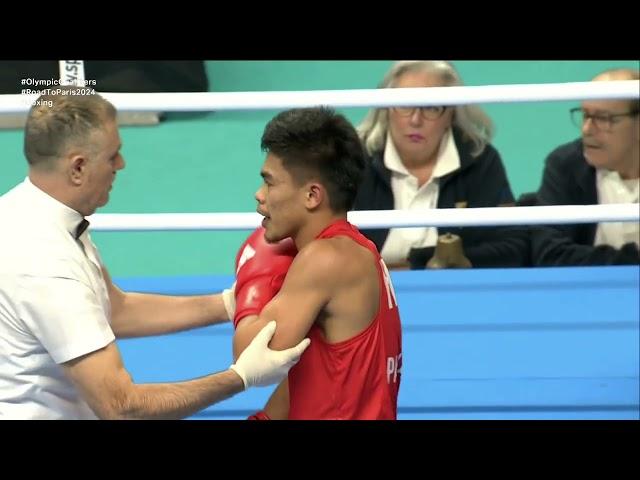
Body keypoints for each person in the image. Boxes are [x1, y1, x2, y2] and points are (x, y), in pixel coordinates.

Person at [0, 86, 310, 420]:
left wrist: (227, 304)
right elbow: (122, 407)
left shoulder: (27, 210)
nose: (122, 164)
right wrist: (241, 377)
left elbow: (115, 310)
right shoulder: (47, 263)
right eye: (112, 156)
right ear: (77, 168)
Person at [232, 106, 402, 420]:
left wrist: (254, 281)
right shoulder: (357, 250)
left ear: (312, 195)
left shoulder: (325, 259)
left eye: (270, 183)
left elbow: (249, 356)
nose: (259, 195)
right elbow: (308, 375)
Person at [353, 60, 529, 269]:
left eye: (431, 107)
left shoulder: (481, 160)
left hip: (454, 293)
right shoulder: (354, 159)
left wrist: (416, 264)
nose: (416, 119)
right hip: (365, 295)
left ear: (451, 115)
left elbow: (514, 247)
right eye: (404, 104)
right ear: (387, 109)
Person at [532, 68, 639, 266]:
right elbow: (550, 255)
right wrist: (632, 259)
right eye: (585, 115)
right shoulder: (565, 165)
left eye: (603, 118)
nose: (587, 129)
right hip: (588, 293)